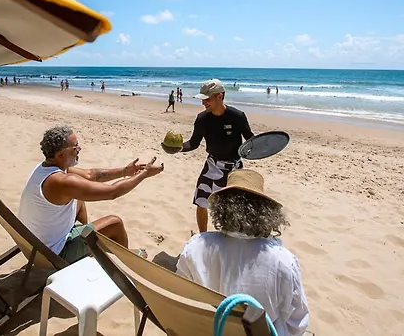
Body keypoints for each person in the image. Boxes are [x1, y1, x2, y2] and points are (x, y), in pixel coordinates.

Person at [176, 169, 309, 336]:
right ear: (265, 212)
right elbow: (297, 323)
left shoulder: (196, 246)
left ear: (221, 208)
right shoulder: (283, 261)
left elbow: (182, 295)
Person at [18, 125, 164, 263]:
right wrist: (144, 174)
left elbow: (91, 175)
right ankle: (126, 260)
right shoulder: (62, 181)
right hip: (53, 254)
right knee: (115, 223)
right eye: (75, 147)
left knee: (79, 198)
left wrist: (124, 171)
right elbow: (113, 192)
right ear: (60, 154)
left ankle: (88, 245)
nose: (79, 149)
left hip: (34, 245)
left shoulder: (46, 168)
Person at [181, 79, 254, 233]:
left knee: (233, 207)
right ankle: (202, 235)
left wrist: (265, 146)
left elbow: (251, 140)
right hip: (212, 165)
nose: (203, 103)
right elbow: (193, 143)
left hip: (234, 168)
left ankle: (229, 236)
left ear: (219, 97)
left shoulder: (237, 116)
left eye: (206, 99)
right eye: (202, 99)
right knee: (201, 202)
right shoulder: (202, 119)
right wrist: (178, 148)